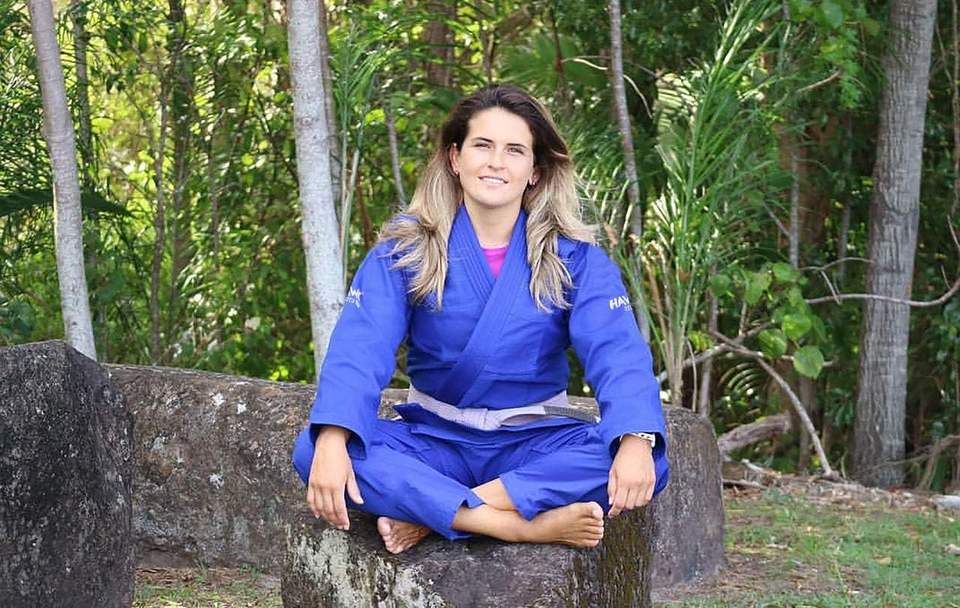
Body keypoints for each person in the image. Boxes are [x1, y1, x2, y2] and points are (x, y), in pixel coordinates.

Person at [291, 83, 669, 554]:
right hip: (434, 441)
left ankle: (436, 513)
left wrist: (635, 437)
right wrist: (332, 436)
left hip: (533, 443)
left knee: (645, 457)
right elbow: (358, 349)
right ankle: (513, 525)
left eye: (514, 150)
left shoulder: (576, 259)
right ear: (456, 158)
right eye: (482, 146)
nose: (496, 162)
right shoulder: (404, 251)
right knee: (314, 450)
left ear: (535, 170)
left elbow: (619, 356)